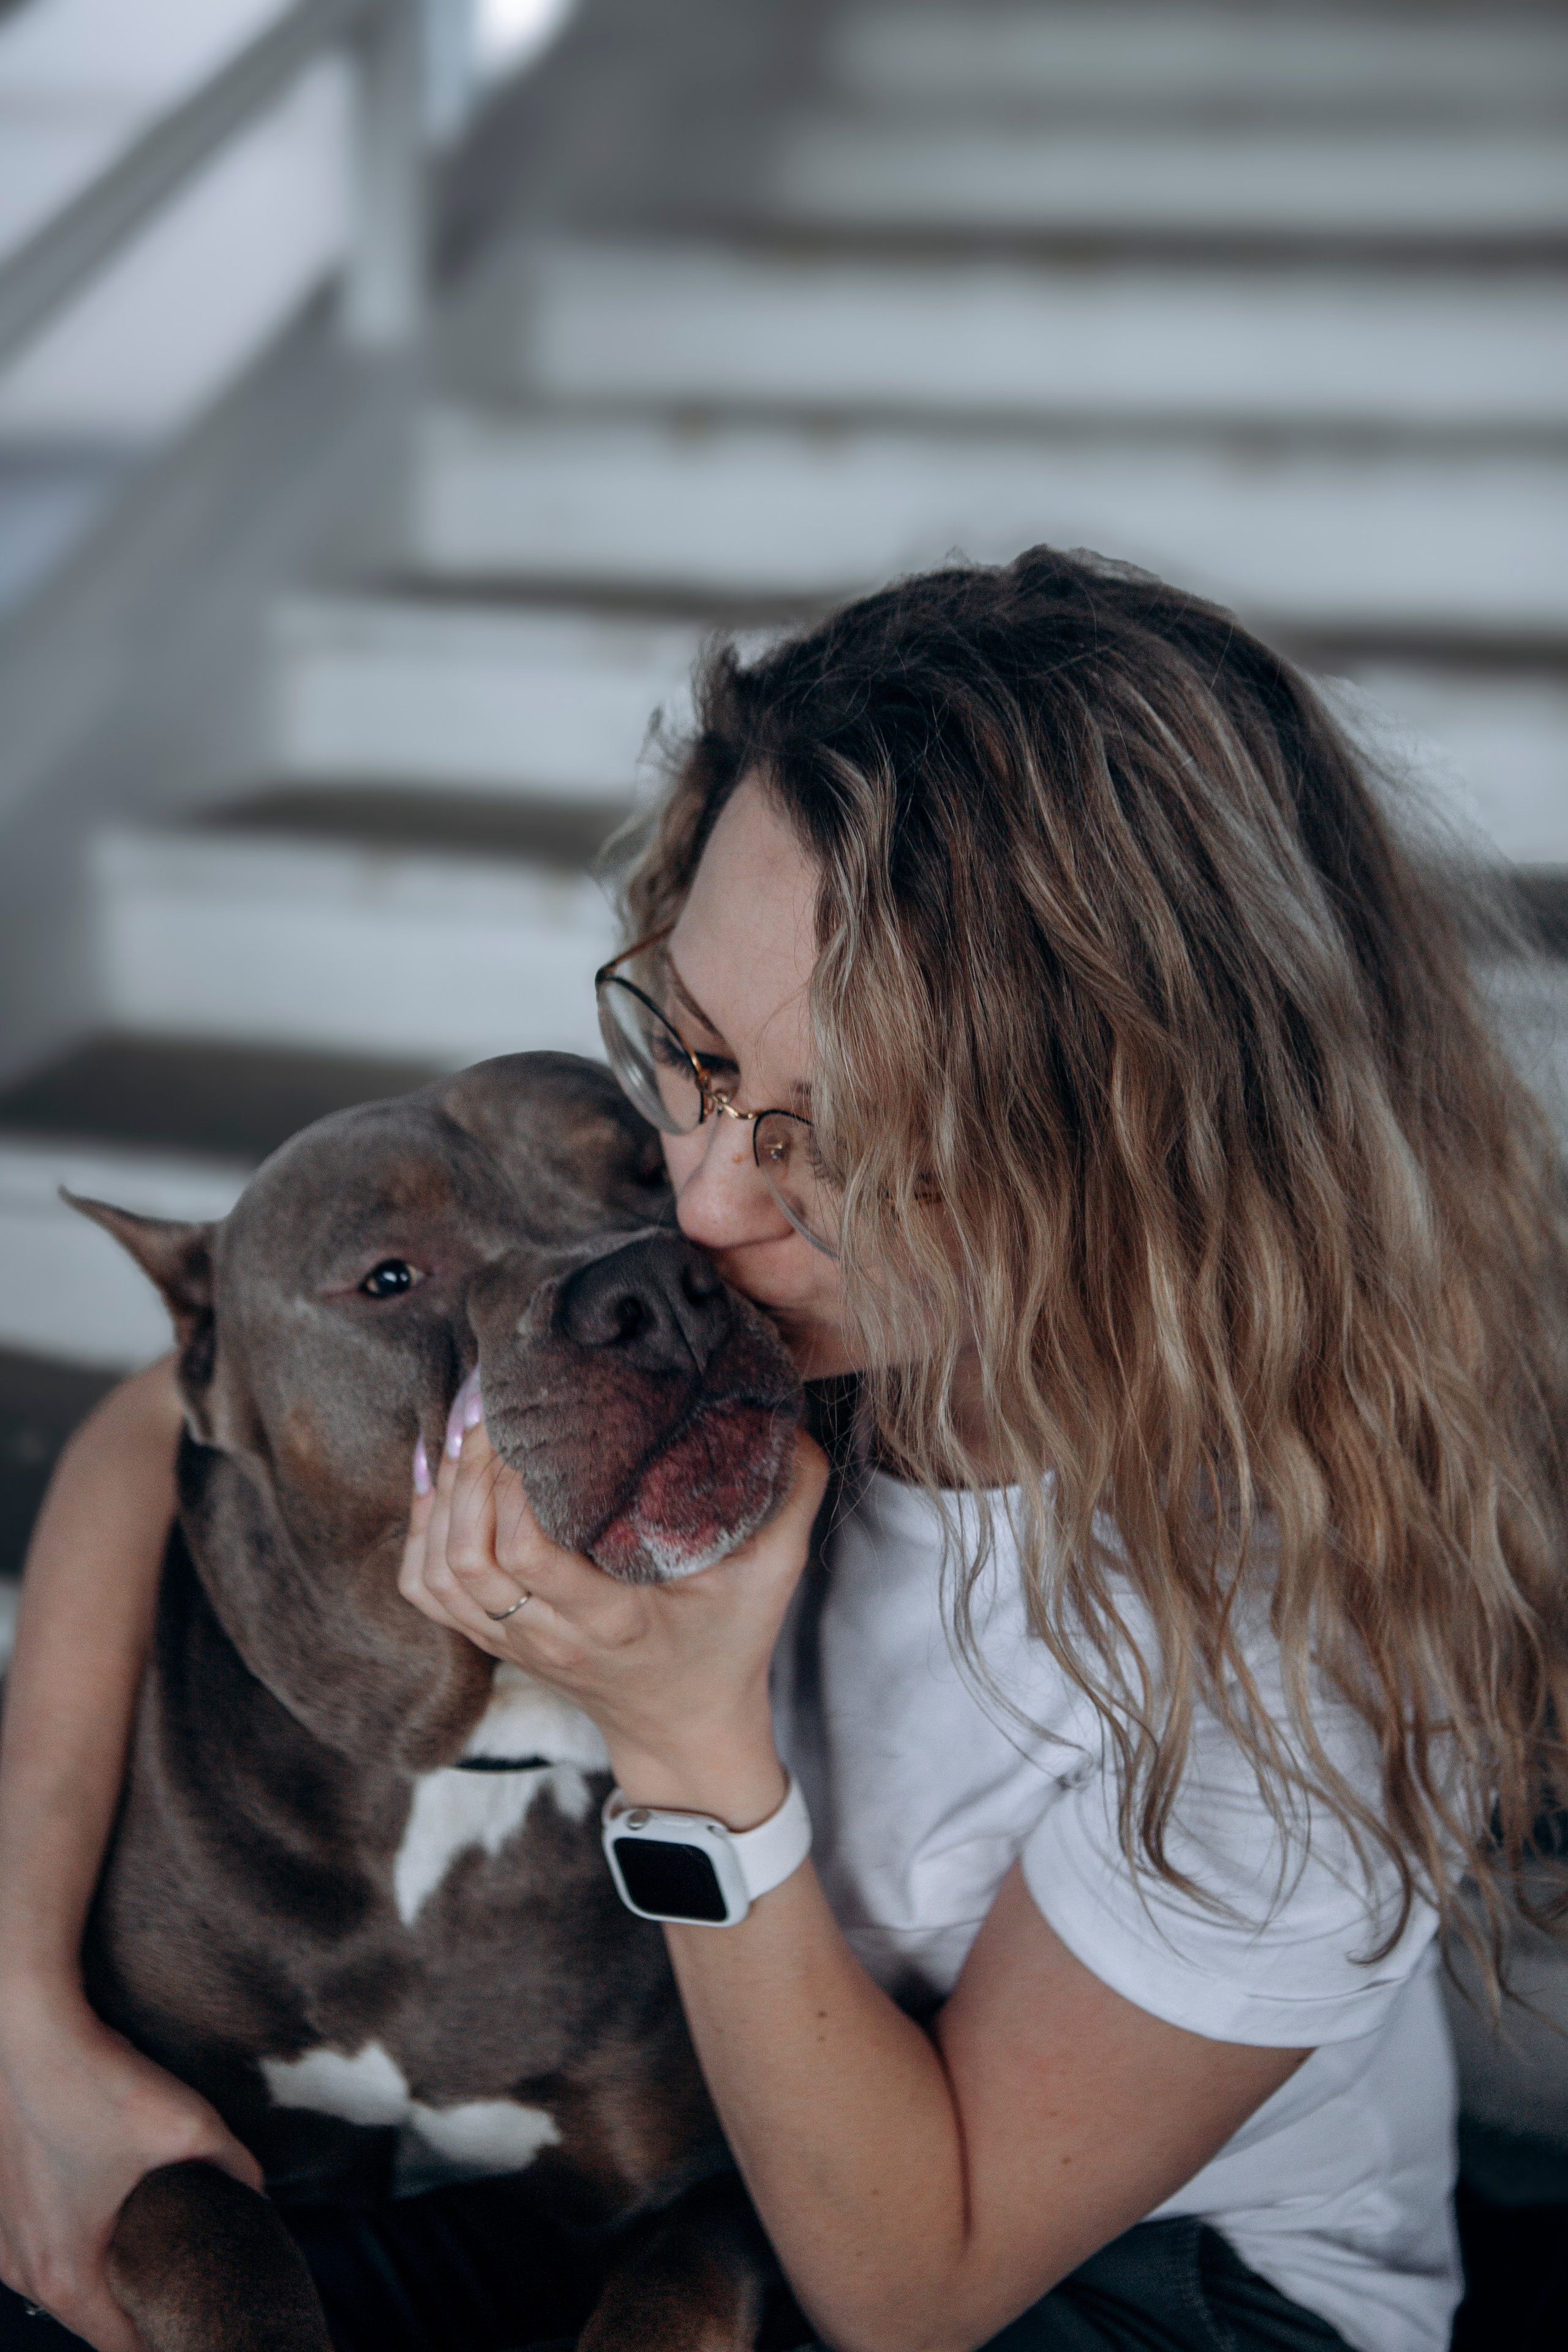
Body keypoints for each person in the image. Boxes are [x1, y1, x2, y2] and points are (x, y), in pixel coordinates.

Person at [1, 547, 1565, 2352]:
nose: (710, 1196)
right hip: (733, 2139)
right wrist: (33, 2023)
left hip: (1138, 2286)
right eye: (692, 1053)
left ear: (1121, 1162)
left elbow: (907, 2287)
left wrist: (687, 1740)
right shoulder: (772, 1297)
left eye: (841, 1138)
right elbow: (162, 1425)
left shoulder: (1292, 1659)